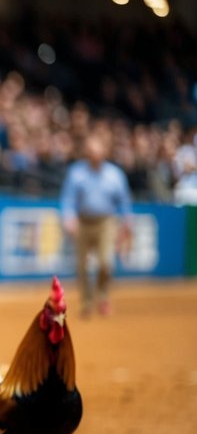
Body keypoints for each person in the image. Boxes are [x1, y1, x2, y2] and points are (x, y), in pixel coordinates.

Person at [60, 134, 132, 317]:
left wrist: (127, 221)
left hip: (106, 222)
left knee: (106, 264)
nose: (94, 154)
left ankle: (102, 296)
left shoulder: (115, 174)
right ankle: (86, 301)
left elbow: (124, 200)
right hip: (82, 222)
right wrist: (69, 217)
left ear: (104, 152)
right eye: (91, 151)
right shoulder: (76, 173)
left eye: (97, 150)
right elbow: (68, 198)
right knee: (82, 265)